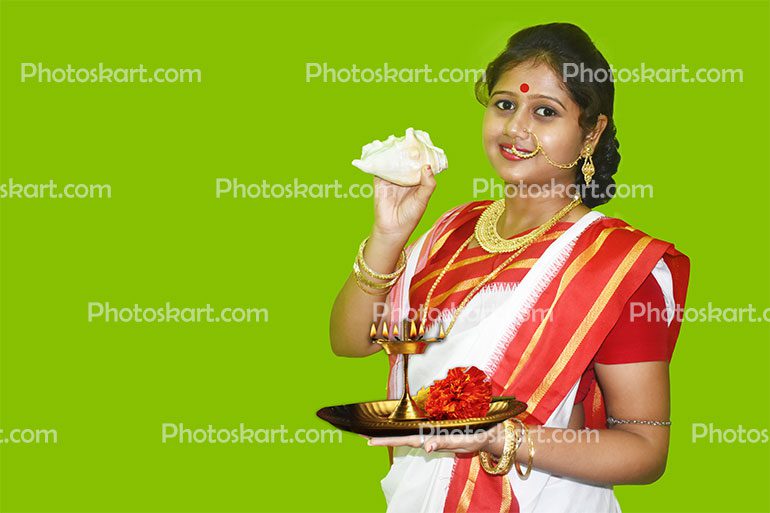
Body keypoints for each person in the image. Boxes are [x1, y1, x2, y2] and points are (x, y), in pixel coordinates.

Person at [329, 22, 690, 513]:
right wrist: (389, 236)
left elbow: (645, 449)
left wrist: (498, 438)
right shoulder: (451, 232)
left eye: (545, 112)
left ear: (592, 132)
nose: (516, 128)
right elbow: (351, 341)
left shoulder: (614, 264)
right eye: (504, 105)